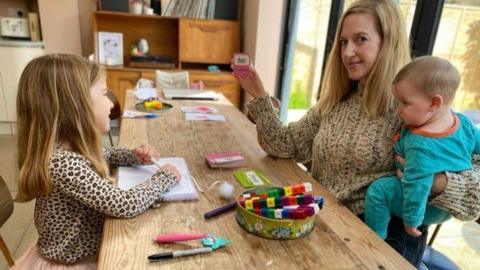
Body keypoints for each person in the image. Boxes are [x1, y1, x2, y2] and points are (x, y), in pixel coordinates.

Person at [234, 0, 480, 267]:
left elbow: (475, 190)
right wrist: (258, 93)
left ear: (388, 42)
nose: (348, 51)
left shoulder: (412, 107)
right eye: (343, 42)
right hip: (328, 225)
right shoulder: (337, 101)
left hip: (387, 239)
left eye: (360, 39)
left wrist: (436, 181)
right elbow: (283, 144)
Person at [12, 54, 180, 269]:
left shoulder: (71, 145)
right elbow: (124, 204)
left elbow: (106, 154)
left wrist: (134, 155)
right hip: (74, 263)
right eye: (104, 94)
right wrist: (165, 178)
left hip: (89, 251)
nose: (110, 102)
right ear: (75, 105)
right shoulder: (63, 163)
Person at [365, 56, 480, 239]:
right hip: (449, 207)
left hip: (428, 207)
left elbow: (416, 188)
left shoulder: (421, 145)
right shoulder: (463, 123)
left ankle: (375, 238)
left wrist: (412, 221)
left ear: (434, 103)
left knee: (379, 191)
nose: (398, 109)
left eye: (405, 102)